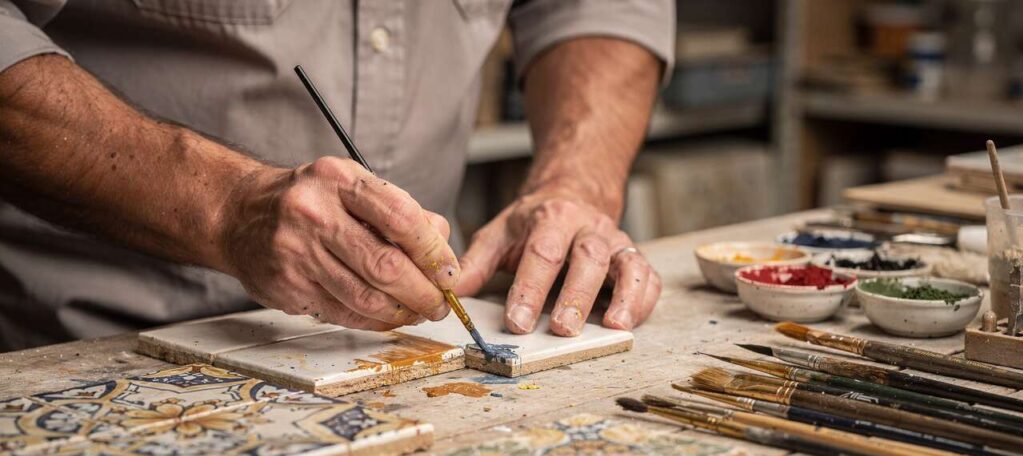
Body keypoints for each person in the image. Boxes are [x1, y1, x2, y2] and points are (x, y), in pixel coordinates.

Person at [0, 0, 673, 352]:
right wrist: (226, 206)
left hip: (401, 342)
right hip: (89, 343)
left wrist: (572, 185)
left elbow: (601, 8)